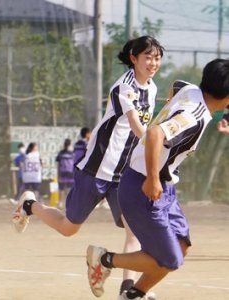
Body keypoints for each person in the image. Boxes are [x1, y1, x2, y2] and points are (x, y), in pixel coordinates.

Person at [12, 35, 164, 299]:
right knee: (69, 228)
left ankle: (129, 291)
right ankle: (29, 205)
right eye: (148, 57)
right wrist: (158, 150)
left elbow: (144, 131)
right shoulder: (124, 87)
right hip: (96, 169)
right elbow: (140, 129)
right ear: (134, 58)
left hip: (125, 175)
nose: (153, 63)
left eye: (158, 58)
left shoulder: (152, 89)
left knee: (135, 230)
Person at [86, 58, 229, 300]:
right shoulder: (195, 117)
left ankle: (134, 295)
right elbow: (154, 134)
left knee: (182, 245)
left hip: (164, 184)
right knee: (170, 260)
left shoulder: (191, 90)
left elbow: (176, 85)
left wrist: (171, 107)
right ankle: (103, 259)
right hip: (143, 186)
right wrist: (152, 179)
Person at [56, 138, 75, 208]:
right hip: (70, 173)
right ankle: (69, 203)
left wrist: (58, 174)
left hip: (62, 173)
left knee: (61, 189)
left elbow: (58, 165)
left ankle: (60, 203)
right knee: (69, 189)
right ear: (70, 145)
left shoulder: (60, 153)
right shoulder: (72, 154)